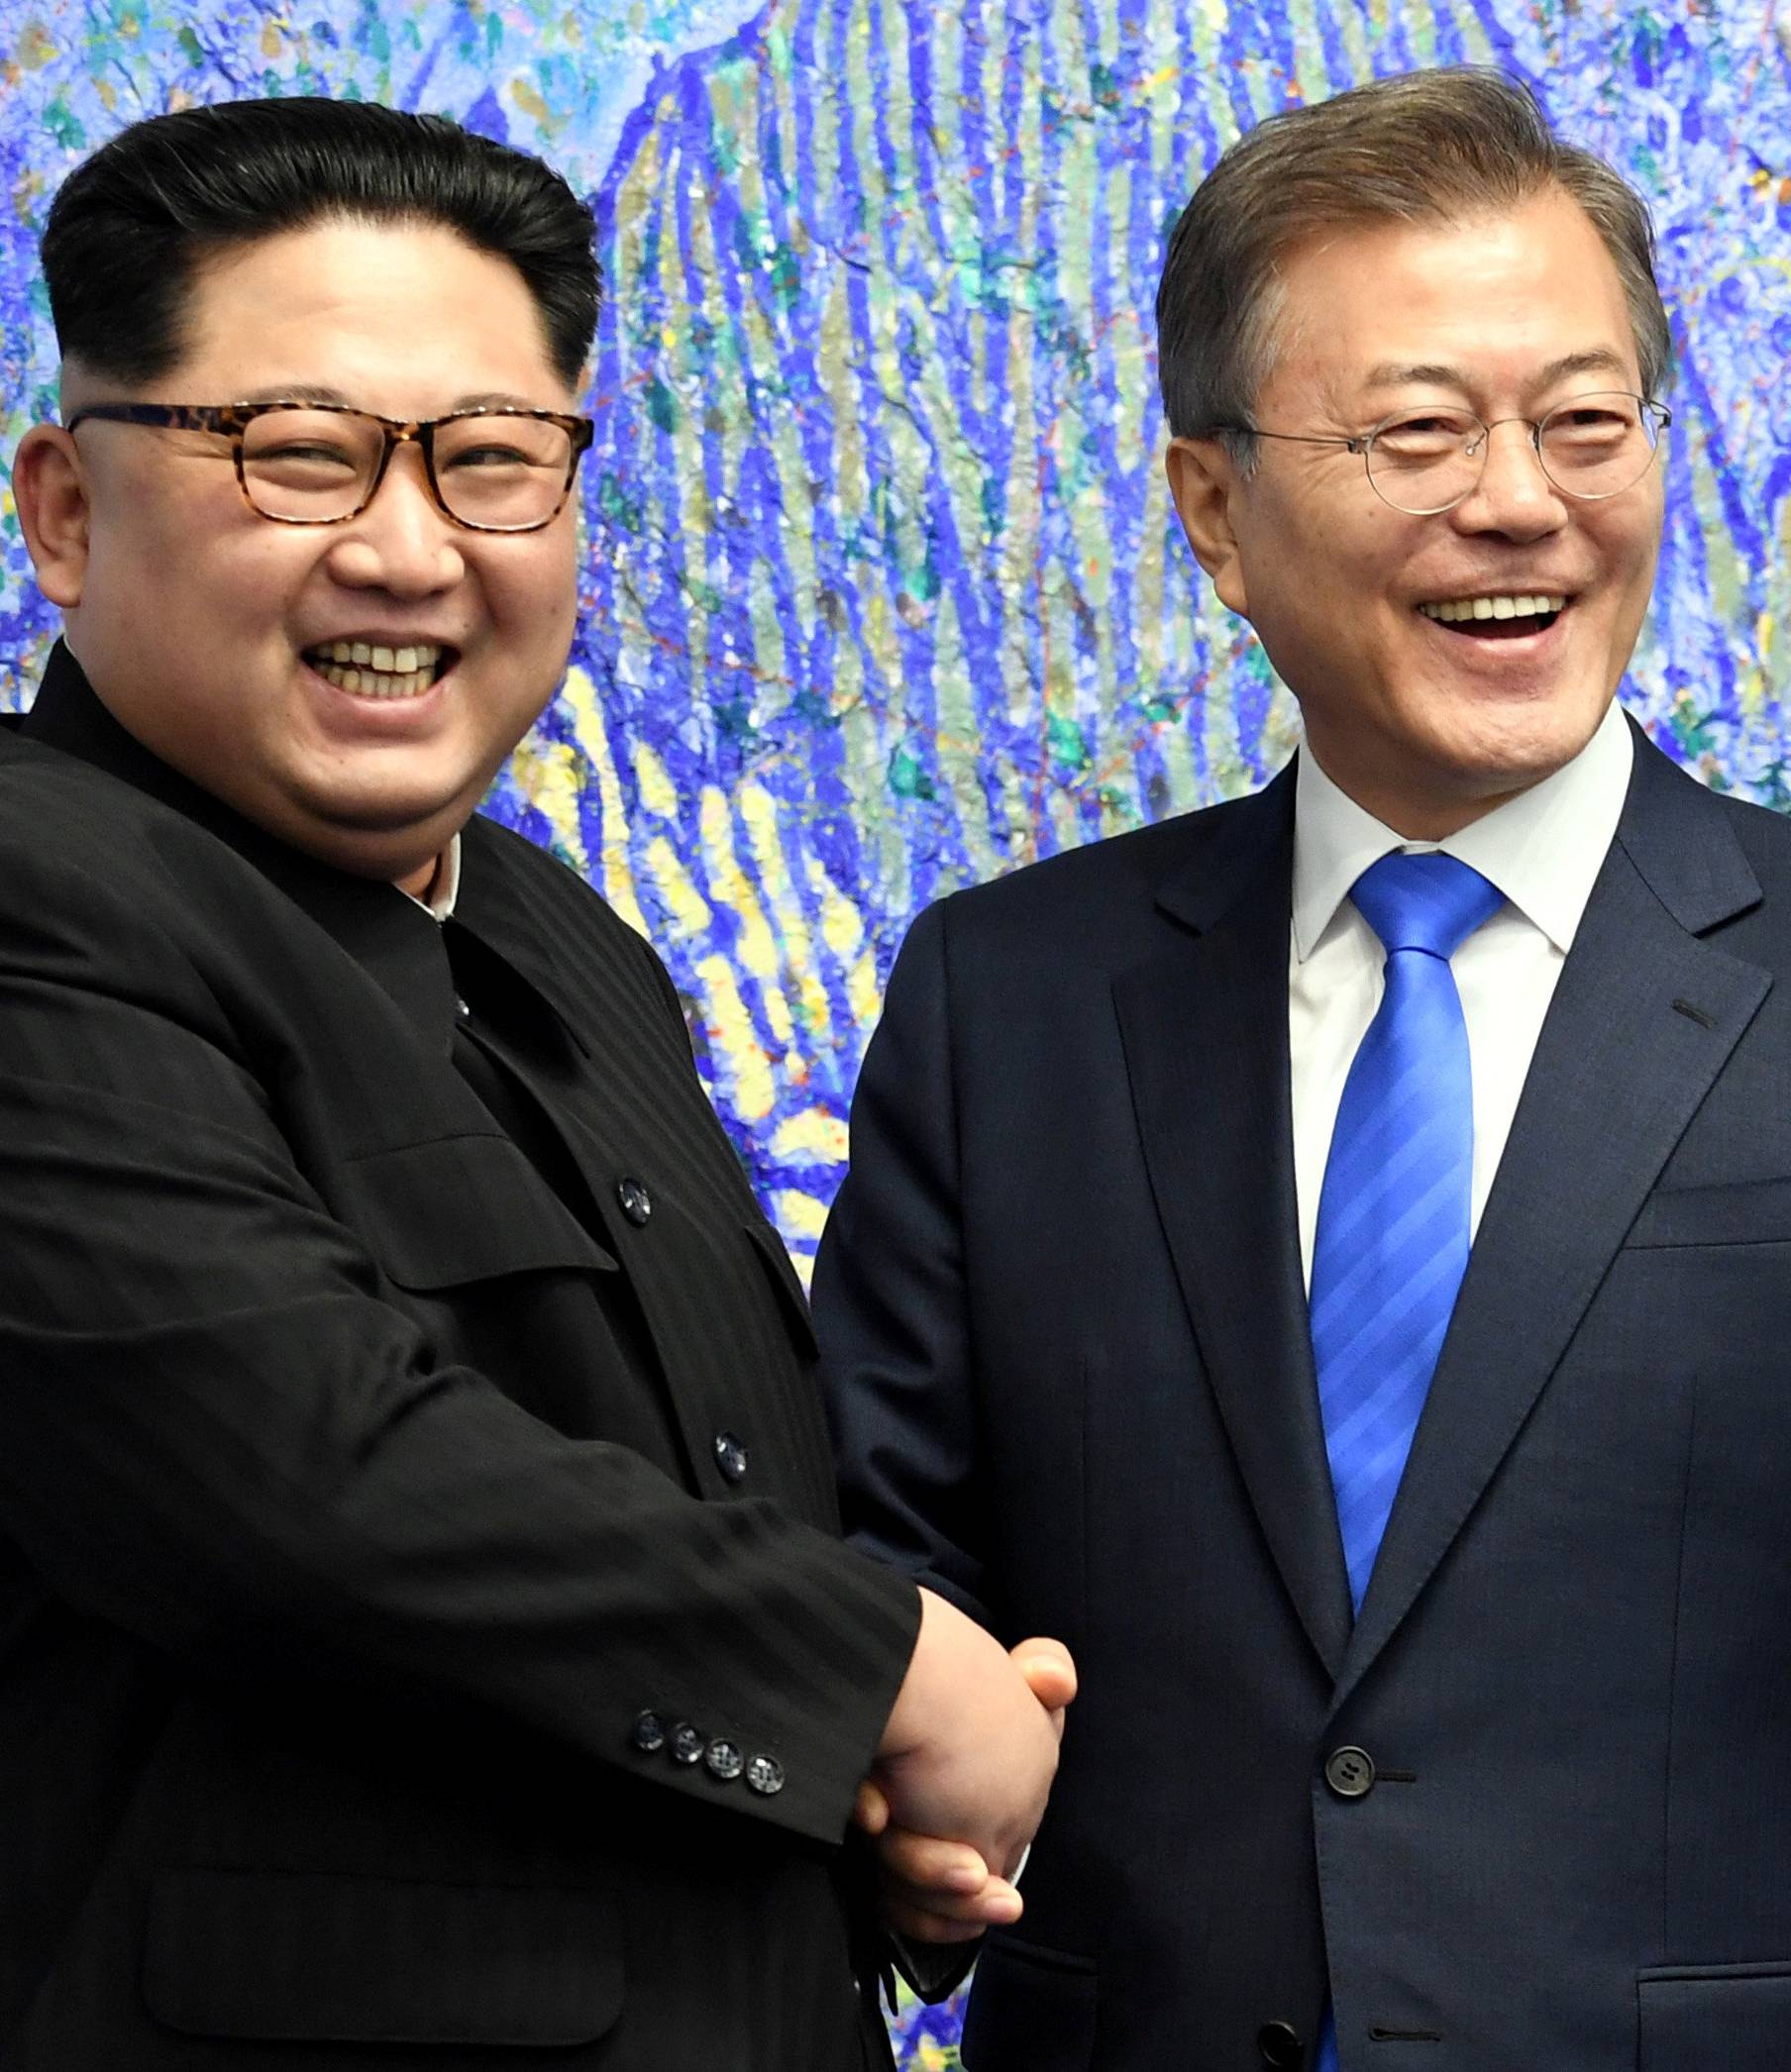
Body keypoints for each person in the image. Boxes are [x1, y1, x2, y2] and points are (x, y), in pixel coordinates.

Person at [0, 97, 1073, 2072]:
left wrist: (856, 1814)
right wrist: (883, 1680)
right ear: (66, 508)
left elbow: (673, 1521)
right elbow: (299, 1482)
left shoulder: (560, 939)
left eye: (494, 461)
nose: (406, 544)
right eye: (299, 453)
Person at [817, 65, 1791, 2072]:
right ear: (1215, 509)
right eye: (1418, 429)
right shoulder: (1011, 996)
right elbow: (883, 1560)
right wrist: (904, 1818)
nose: (1518, 497)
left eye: (1585, 422)